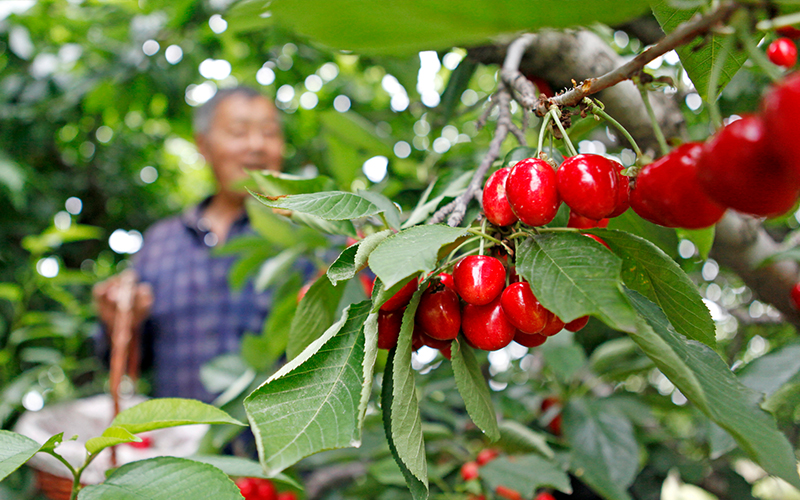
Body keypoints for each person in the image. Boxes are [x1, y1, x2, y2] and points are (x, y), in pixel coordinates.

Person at [93, 86, 286, 402]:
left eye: (269, 132)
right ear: (204, 145)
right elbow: (128, 364)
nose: (256, 145)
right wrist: (121, 324)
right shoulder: (160, 244)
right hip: (178, 443)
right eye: (238, 132)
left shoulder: (309, 237)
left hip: (281, 443)